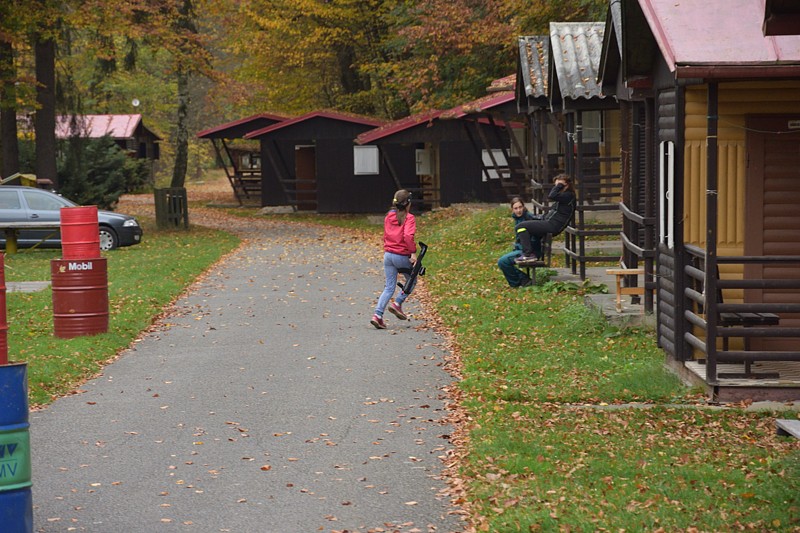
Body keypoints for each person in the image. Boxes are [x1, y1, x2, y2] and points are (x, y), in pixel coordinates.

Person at [371, 189, 417, 329]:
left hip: (388, 255)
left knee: (389, 287)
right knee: (412, 280)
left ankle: (377, 316)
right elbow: (408, 237)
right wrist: (413, 252)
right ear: (408, 203)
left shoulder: (388, 216)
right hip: (401, 255)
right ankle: (398, 303)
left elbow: (386, 235)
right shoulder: (409, 218)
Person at [515, 174, 576, 263]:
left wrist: (559, 185)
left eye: (559, 185)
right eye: (556, 186)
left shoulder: (568, 196)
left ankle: (528, 254)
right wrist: (536, 218)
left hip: (553, 226)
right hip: (549, 223)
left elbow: (552, 195)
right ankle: (527, 252)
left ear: (566, 185)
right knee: (523, 227)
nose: (557, 188)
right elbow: (552, 212)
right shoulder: (564, 197)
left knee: (520, 226)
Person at [497, 197, 537, 288]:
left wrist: (527, 251)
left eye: (520, 207)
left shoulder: (528, 218)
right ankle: (522, 280)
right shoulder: (518, 219)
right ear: (512, 209)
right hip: (521, 249)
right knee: (503, 261)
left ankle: (521, 281)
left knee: (503, 261)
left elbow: (533, 238)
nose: (519, 210)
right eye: (516, 208)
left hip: (529, 252)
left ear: (524, 207)